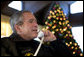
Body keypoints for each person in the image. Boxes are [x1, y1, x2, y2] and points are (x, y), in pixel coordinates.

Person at [1, 11, 75, 56]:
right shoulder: (4, 44)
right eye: (31, 21)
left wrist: (54, 40)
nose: (36, 25)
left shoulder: (38, 45)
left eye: (36, 22)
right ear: (18, 28)